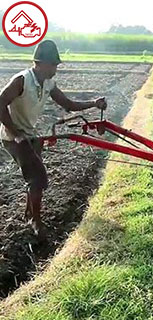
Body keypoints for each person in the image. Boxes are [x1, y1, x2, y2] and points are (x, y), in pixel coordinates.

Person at [0, 40, 107, 237]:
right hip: (12, 136)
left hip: (30, 134)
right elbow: (1, 102)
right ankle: (35, 220)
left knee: (34, 174)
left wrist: (94, 103)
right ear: (40, 63)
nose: (56, 69)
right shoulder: (22, 80)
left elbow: (68, 104)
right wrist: (16, 135)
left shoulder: (48, 83)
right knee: (38, 176)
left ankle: (29, 213)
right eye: (54, 65)